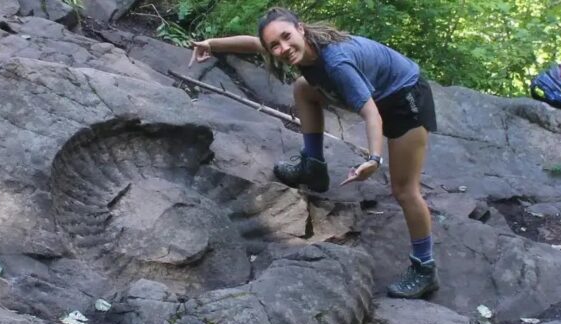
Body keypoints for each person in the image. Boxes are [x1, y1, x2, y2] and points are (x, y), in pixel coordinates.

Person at [188, 7, 439, 298]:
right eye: (275, 45)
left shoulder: (336, 63)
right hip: (375, 93)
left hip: (404, 98)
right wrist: (211, 44)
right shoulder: (298, 48)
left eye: (286, 37)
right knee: (303, 87)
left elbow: (372, 114)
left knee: (405, 190)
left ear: (301, 29)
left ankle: (424, 267)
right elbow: (252, 43)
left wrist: (373, 158)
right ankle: (313, 165)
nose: (282, 48)